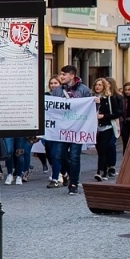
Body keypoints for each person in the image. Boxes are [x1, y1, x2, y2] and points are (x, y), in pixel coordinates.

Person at [50, 66, 91, 194]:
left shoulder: (84, 90)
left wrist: (95, 102)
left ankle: (73, 182)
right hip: (62, 128)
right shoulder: (57, 91)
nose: (61, 76)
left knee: (74, 156)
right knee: (60, 155)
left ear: (72, 75)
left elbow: (90, 108)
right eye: (61, 74)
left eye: (64, 74)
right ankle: (69, 172)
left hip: (77, 128)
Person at [92, 77, 122, 182]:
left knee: (102, 148)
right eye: (96, 85)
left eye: (100, 85)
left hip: (107, 127)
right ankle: (103, 171)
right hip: (95, 128)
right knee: (99, 150)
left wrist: (103, 116)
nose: (97, 87)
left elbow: (117, 113)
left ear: (104, 86)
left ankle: (100, 171)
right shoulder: (91, 98)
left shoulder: (110, 98)